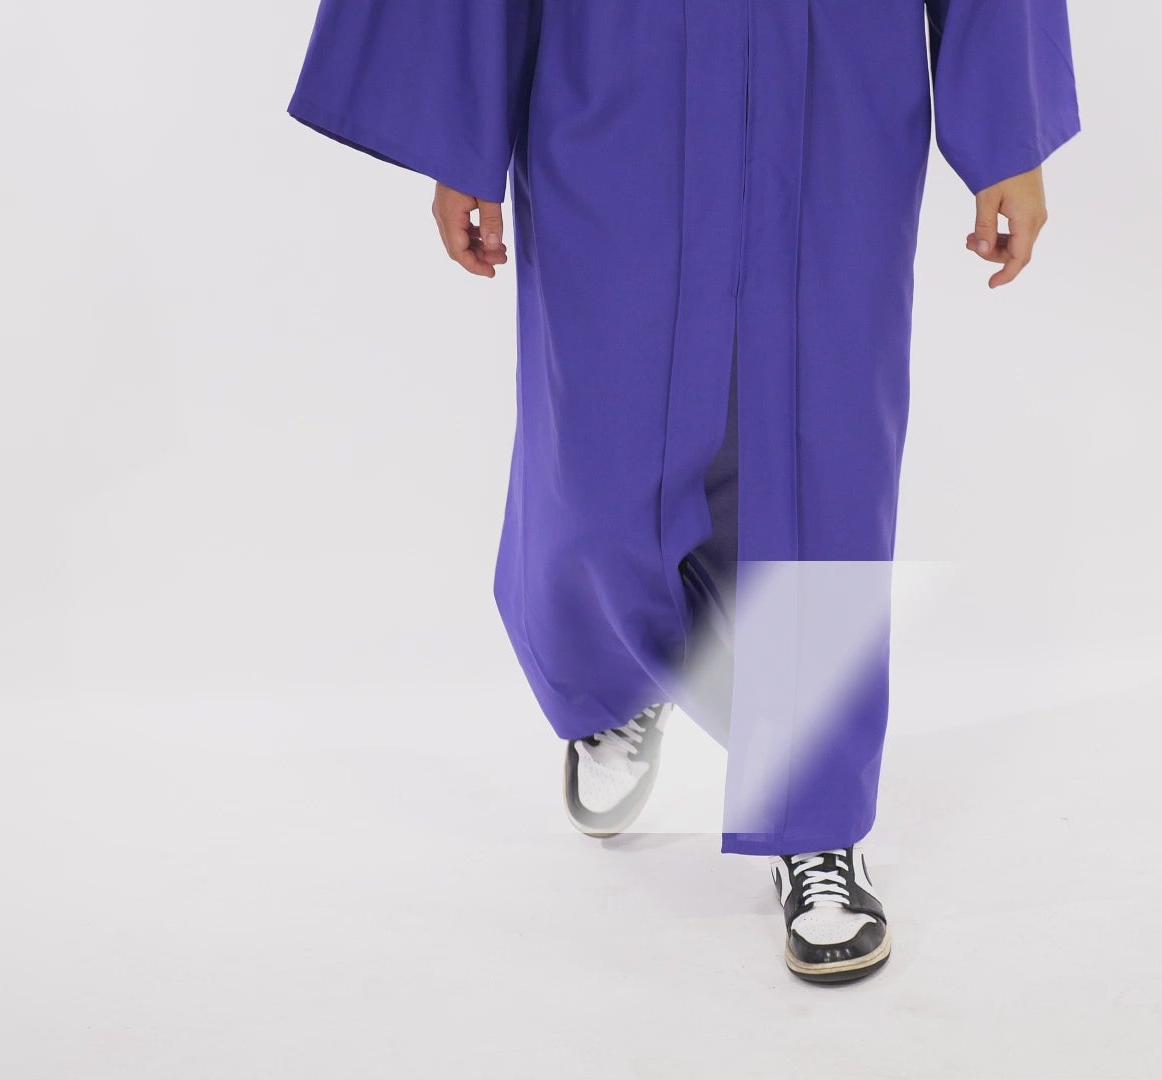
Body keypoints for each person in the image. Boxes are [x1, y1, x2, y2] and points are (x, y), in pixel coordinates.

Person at [289, 0, 1080, 984]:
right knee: (599, 465)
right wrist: (465, 134)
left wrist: (1008, 129)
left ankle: (817, 824)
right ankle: (613, 679)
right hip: (616, 71)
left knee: (822, 458)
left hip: (836, 78)